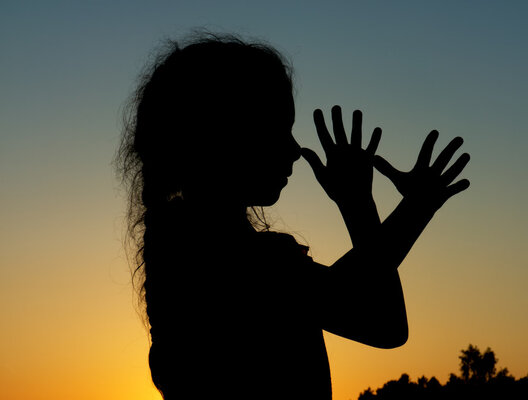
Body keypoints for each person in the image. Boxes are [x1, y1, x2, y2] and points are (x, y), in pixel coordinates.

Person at [116, 32, 470, 400]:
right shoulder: (247, 263)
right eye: (277, 130)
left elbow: (365, 306)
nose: (295, 149)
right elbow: (379, 319)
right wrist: (361, 203)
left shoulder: (186, 253)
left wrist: (404, 207)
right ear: (226, 138)